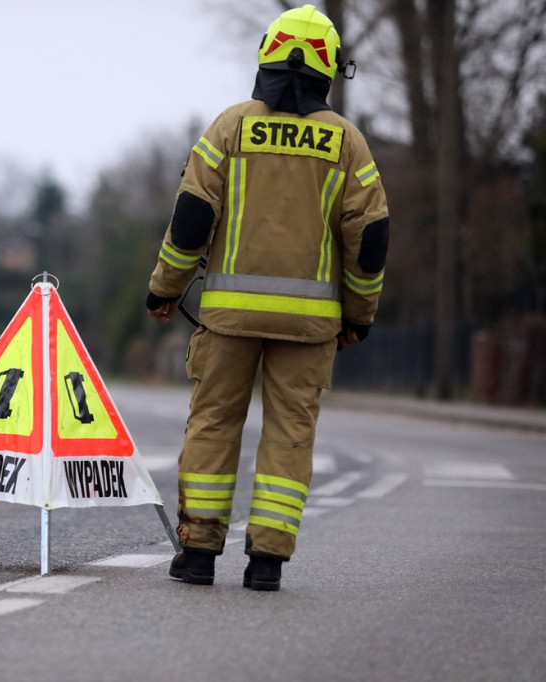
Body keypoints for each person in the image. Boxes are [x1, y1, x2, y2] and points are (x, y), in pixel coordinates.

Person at [145, 4, 389, 591]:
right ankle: (266, 562)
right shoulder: (347, 144)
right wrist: (359, 314)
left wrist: (163, 288)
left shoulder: (229, 128)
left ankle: (199, 553)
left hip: (228, 319)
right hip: (309, 329)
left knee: (213, 423)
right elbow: (370, 239)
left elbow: (191, 219)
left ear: (267, 57)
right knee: (290, 433)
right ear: (330, 67)